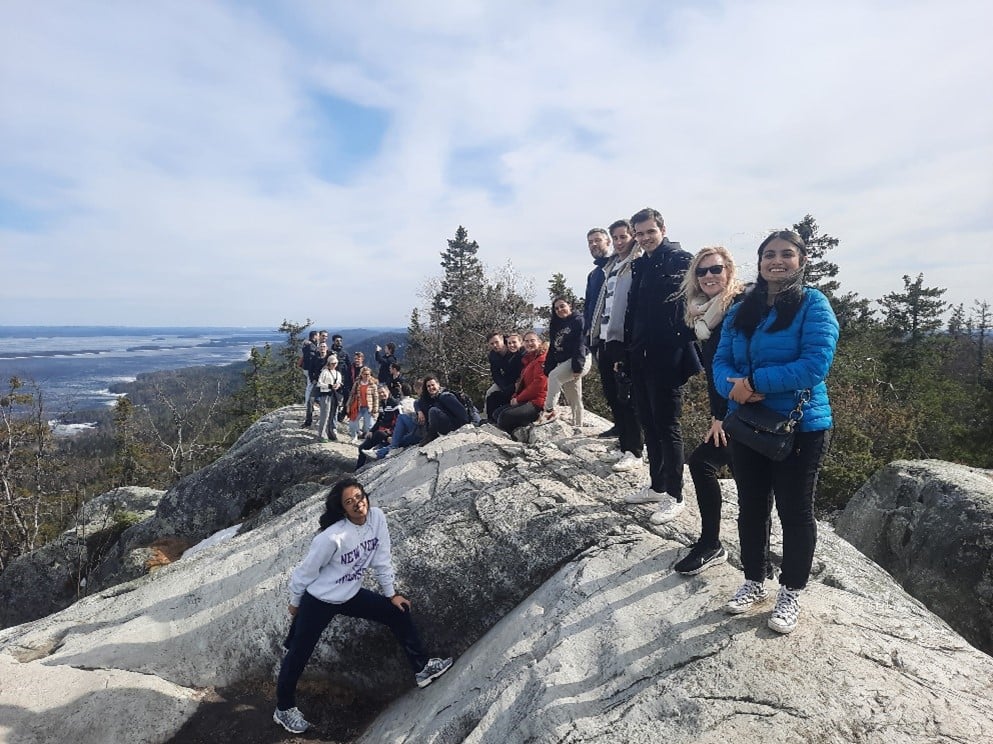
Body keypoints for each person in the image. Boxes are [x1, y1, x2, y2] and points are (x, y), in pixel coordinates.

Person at [713, 230, 839, 634]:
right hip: (748, 424)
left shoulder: (813, 304)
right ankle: (753, 579)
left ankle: (791, 590)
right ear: (760, 261)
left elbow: (814, 365)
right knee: (751, 505)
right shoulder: (741, 309)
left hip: (798, 426)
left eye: (786, 254)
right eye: (769, 255)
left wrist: (753, 384)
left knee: (794, 510)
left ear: (801, 260)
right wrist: (731, 387)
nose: (777, 261)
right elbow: (719, 360)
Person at [273, 478, 453, 734]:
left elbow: (382, 558)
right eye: (350, 502)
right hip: (320, 600)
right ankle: (284, 708)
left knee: (397, 612)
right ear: (343, 509)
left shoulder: (377, 518)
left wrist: (391, 594)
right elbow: (305, 571)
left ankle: (423, 668)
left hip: (350, 594)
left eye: (359, 497)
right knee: (298, 653)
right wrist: (295, 602)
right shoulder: (332, 537)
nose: (358, 504)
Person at [622, 207, 702, 523]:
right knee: (649, 423)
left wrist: (679, 337)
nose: (644, 238)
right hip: (639, 354)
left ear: (662, 229)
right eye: (639, 234)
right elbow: (634, 312)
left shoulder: (682, 260)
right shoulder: (641, 264)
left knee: (667, 426)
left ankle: (675, 495)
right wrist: (626, 353)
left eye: (649, 232)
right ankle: (657, 485)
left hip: (668, 356)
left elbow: (695, 302)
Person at [670, 246, 746, 574]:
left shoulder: (738, 307)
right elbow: (716, 369)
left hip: (748, 405)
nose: (708, 276)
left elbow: (735, 365)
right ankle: (726, 548)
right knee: (715, 466)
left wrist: (725, 414)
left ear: (728, 271)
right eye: (701, 271)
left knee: (706, 465)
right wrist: (718, 415)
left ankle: (716, 545)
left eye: (715, 269)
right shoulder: (703, 314)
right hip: (728, 408)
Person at [588, 219, 644, 470]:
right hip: (605, 340)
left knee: (627, 397)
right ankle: (624, 444)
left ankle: (635, 450)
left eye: (624, 237)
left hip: (624, 341)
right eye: (617, 237)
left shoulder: (637, 263)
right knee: (613, 394)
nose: (621, 242)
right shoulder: (611, 266)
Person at [537, 297, 591, 428]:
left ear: (570, 305)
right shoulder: (555, 324)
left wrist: (577, 367)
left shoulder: (578, 320)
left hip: (580, 358)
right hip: (566, 361)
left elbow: (580, 344)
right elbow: (553, 348)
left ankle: (549, 410)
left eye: (562, 306)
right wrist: (548, 367)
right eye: (556, 308)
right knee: (573, 394)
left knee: (555, 376)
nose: (560, 310)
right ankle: (577, 425)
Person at [493, 331, 548, 433]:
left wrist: (518, 399)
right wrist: (515, 396)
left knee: (504, 417)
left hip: (538, 402)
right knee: (497, 413)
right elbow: (521, 383)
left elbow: (538, 385)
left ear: (539, 342)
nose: (529, 343)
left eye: (532, 340)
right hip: (527, 399)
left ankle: (521, 433)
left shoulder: (542, 359)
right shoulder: (528, 359)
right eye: (526, 341)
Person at [356, 385, 400, 467]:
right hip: (380, 431)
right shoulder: (382, 404)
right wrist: (371, 431)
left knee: (379, 434)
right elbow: (379, 420)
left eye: (383, 392)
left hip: (389, 433)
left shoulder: (394, 404)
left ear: (388, 392)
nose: (382, 394)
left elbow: (398, 420)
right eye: (380, 393)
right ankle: (358, 468)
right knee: (362, 447)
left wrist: (391, 431)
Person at [417, 375, 470, 444]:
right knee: (431, 410)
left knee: (433, 411)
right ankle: (429, 435)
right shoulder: (432, 398)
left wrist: (464, 426)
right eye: (428, 386)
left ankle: (431, 435)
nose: (431, 388)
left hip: (455, 425)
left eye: (433, 385)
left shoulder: (445, 396)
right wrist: (419, 411)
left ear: (438, 385)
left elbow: (462, 413)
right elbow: (417, 402)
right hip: (445, 426)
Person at [583, 227, 612, 348]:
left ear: (608, 242)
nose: (593, 244)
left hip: (614, 336)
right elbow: (588, 306)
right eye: (590, 242)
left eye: (598, 240)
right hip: (596, 338)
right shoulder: (593, 275)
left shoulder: (618, 267)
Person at [484, 332, 515, 420]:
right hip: (506, 379)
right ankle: (489, 418)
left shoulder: (512, 347)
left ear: (502, 340)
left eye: (496, 342)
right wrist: (503, 386)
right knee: (490, 393)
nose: (495, 345)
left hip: (519, 378)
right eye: (492, 344)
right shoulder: (493, 356)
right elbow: (495, 374)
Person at [346, 366, 379, 443]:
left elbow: (376, 398)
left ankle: (369, 441)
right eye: (365, 374)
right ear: (361, 374)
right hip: (358, 407)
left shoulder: (373, 385)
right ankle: (354, 436)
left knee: (369, 426)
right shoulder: (357, 383)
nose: (366, 376)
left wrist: (375, 410)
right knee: (352, 422)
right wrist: (348, 405)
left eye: (368, 374)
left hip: (368, 408)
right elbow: (352, 394)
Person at [315, 355, 344, 442]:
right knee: (325, 415)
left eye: (335, 363)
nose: (334, 365)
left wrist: (338, 385)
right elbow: (319, 383)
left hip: (334, 395)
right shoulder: (324, 372)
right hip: (326, 395)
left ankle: (331, 433)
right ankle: (322, 435)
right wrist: (329, 386)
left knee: (333, 414)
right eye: (332, 363)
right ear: (329, 363)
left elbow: (339, 382)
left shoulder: (338, 373)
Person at [303, 341, 330, 428]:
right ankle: (308, 421)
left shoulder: (330, 358)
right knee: (310, 401)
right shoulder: (315, 358)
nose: (322, 348)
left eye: (324, 346)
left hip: (327, 384)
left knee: (326, 404)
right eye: (321, 347)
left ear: (327, 348)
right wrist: (312, 379)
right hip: (317, 383)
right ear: (318, 349)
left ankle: (327, 422)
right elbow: (311, 370)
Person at [300, 330, 319, 427]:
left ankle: (308, 403)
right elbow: (312, 357)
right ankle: (308, 403)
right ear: (314, 336)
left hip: (306, 368)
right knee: (310, 386)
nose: (318, 337)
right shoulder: (311, 345)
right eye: (318, 336)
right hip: (309, 368)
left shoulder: (308, 344)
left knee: (309, 386)